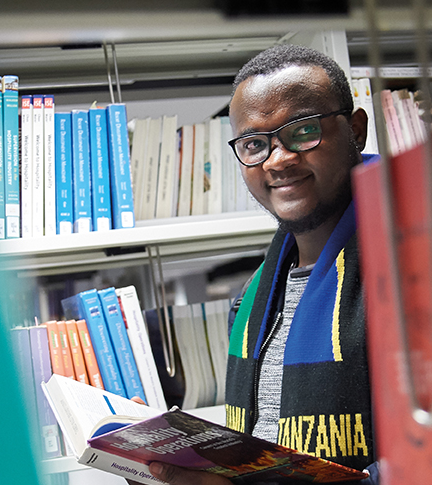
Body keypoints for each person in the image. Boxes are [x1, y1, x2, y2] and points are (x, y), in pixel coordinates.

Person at [148, 44, 377, 485]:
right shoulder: (254, 297)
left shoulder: (413, 270)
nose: (279, 159)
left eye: (303, 130)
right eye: (255, 144)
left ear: (356, 130)